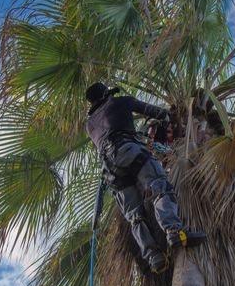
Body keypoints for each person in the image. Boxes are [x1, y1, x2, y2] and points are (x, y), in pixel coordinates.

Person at [85, 82, 205, 273]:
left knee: (134, 216)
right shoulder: (122, 101)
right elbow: (157, 113)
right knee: (159, 187)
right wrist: (173, 117)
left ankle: (154, 257)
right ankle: (174, 232)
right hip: (128, 149)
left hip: (109, 169)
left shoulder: (89, 125)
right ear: (108, 94)